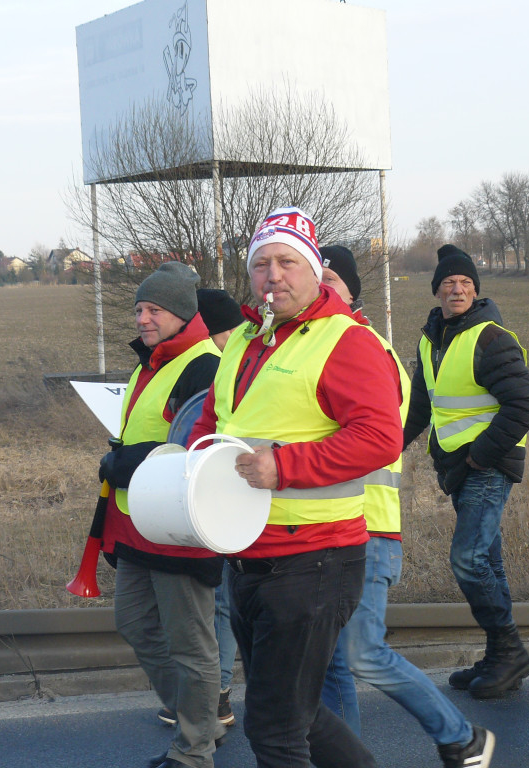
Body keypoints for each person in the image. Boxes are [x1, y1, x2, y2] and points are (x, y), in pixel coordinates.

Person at [189, 207, 433, 768]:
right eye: (261, 264)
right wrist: (185, 465)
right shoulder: (247, 338)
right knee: (298, 712)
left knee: (275, 731)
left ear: (314, 269)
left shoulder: (346, 340)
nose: (273, 275)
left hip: (314, 560)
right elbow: (216, 419)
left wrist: (285, 466)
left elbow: (380, 438)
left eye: (287, 262)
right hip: (249, 557)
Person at [318, 245, 495, 768]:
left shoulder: (364, 349)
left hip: (369, 530)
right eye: (316, 276)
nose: (321, 284)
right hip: (329, 529)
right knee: (331, 662)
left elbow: (371, 440)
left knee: (360, 652)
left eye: (330, 278)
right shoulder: (316, 347)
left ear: (352, 290)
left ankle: (461, 737)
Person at [97, 261, 226, 768]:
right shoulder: (150, 362)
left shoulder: (203, 365)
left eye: (153, 310)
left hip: (178, 526)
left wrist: (124, 460)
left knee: (191, 644)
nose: (142, 319)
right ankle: (201, 720)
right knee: (135, 625)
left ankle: (194, 750)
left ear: (180, 313)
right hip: (138, 522)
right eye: (138, 310)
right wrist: (121, 455)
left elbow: (197, 445)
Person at [403, 244, 529, 700]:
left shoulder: (490, 337)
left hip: (486, 465)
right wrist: (388, 444)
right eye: (448, 283)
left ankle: (510, 651)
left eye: (464, 283)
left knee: (468, 559)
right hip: (457, 468)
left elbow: (524, 404)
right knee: (489, 562)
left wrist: (479, 457)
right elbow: (421, 405)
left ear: (476, 291)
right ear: (437, 291)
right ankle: (501, 657)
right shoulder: (431, 339)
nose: (456, 289)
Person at [157, 287, 246, 731]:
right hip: (206, 500)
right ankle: (212, 695)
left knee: (223, 602)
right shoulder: (213, 368)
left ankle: (216, 696)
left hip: (225, 502)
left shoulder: (224, 367)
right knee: (221, 601)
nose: (235, 338)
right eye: (228, 331)